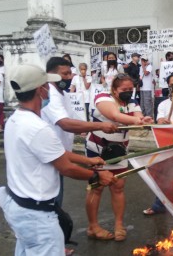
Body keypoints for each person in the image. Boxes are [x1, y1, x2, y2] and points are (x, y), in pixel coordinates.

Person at [0, 64, 116, 256]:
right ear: (40, 90)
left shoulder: (15, 120)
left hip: (18, 206)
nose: (49, 90)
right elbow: (66, 168)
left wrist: (88, 161)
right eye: (47, 86)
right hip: (37, 218)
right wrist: (97, 176)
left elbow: (56, 153)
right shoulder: (38, 128)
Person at [42, 57, 117, 207]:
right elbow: (65, 124)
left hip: (61, 154)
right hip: (50, 159)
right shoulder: (51, 95)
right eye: (65, 74)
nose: (70, 77)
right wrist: (99, 127)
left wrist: (100, 124)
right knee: (51, 202)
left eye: (70, 73)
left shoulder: (63, 94)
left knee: (57, 198)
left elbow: (77, 120)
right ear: (51, 75)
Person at [85, 74, 153, 241]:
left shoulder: (132, 102)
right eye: (124, 90)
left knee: (118, 186)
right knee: (97, 187)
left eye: (131, 89)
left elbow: (137, 116)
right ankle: (93, 226)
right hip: (98, 149)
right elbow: (115, 116)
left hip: (120, 150)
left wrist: (142, 119)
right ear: (114, 90)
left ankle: (119, 224)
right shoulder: (102, 98)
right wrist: (137, 120)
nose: (128, 93)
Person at [143, 72, 173, 215]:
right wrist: (162, 121)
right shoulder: (163, 104)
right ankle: (158, 205)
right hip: (168, 146)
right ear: (168, 86)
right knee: (164, 176)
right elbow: (159, 120)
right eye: (172, 84)